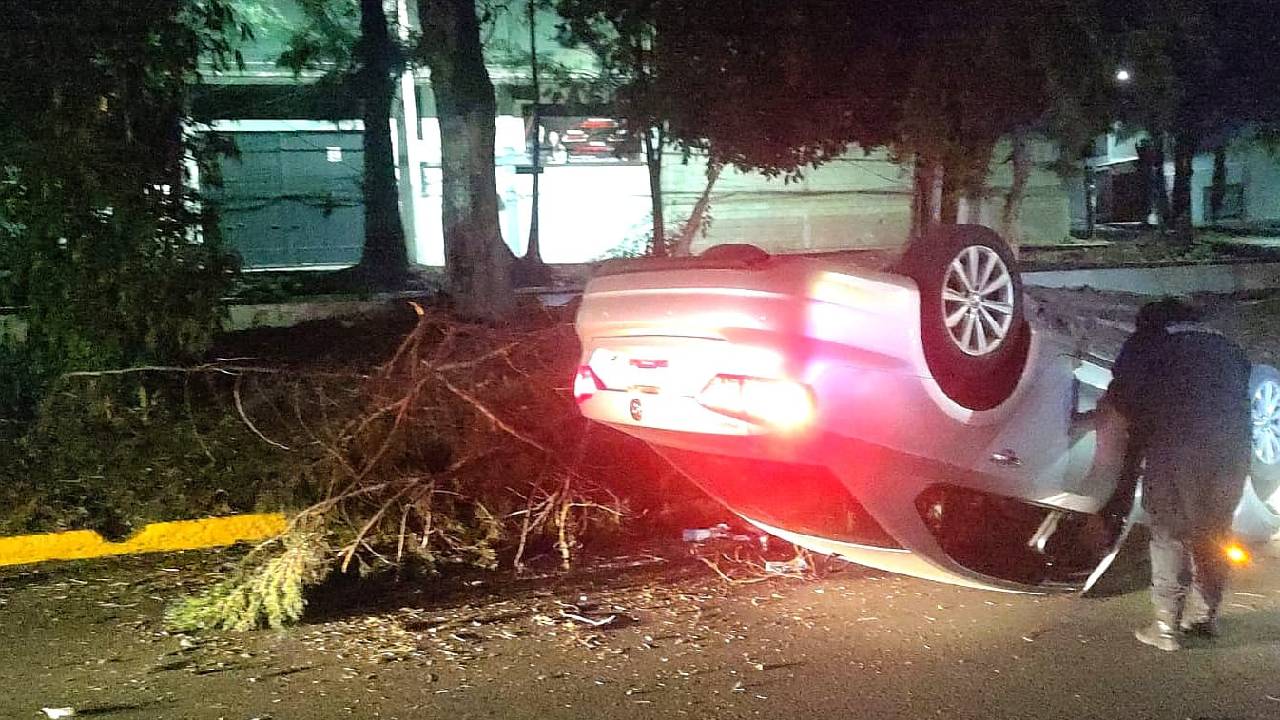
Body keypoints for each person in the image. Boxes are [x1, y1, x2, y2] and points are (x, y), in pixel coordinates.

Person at [1101, 297, 1251, 651]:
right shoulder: (1227, 345)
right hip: (1234, 448)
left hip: (1180, 445)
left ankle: (1166, 627)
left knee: (1171, 531)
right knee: (1215, 530)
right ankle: (1204, 617)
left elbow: (1123, 398)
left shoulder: (1150, 342)